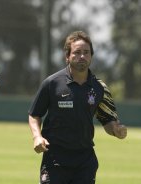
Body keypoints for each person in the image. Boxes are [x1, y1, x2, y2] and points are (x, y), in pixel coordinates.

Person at [28, 31, 127, 184]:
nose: (82, 56)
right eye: (77, 52)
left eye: (86, 52)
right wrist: (37, 136)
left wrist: (116, 130)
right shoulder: (52, 83)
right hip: (55, 160)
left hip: (85, 162)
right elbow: (34, 114)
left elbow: (107, 120)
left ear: (91, 56)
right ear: (67, 56)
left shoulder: (100, 88)